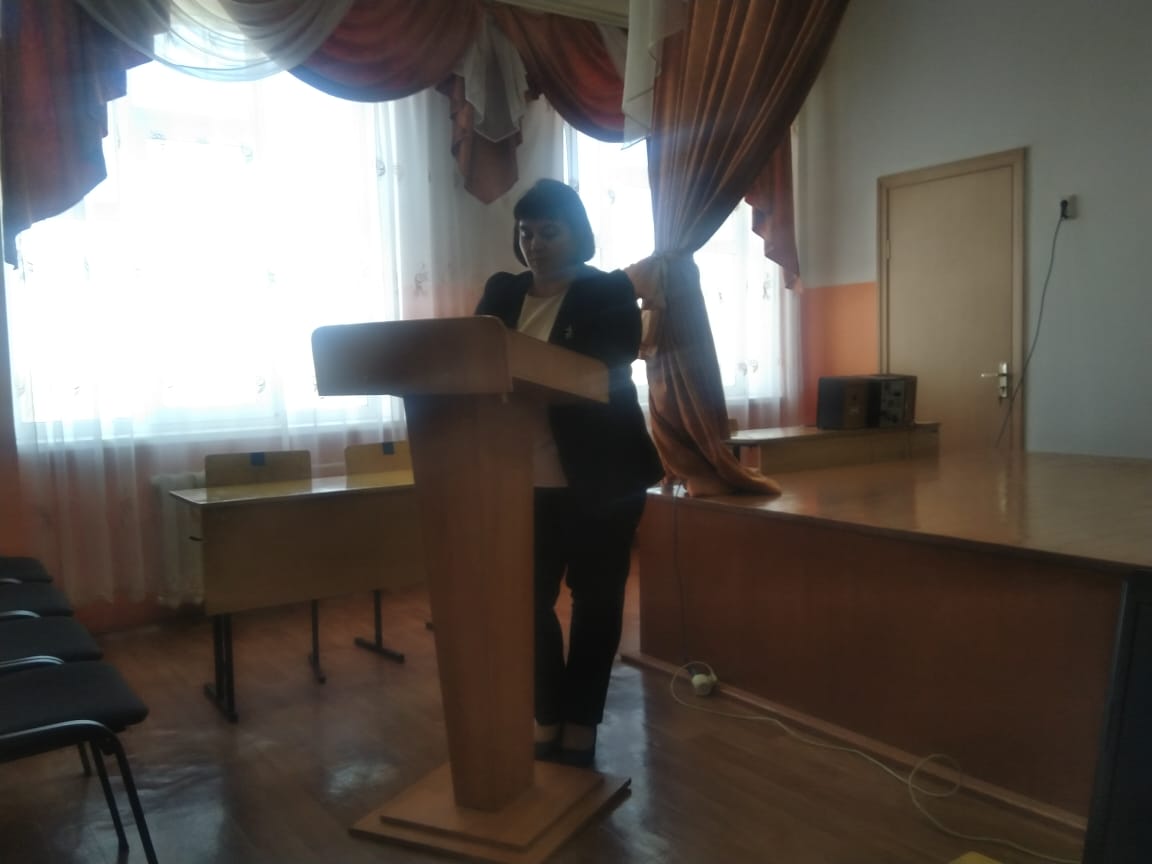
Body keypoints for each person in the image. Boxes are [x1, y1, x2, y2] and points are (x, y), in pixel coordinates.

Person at [475, 178, 664, 767]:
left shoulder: (606, 292)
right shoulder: (502, 292)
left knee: (596, 603)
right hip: (521, 478)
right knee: (525, 603)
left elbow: (602, 370)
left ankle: (581, 722)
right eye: (525, 232)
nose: (533, 244)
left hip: (602, 479)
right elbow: (471, 359)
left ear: (576, 233)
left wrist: (521, 372)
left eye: (548, 232)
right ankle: (547, 713)